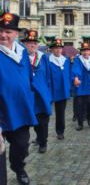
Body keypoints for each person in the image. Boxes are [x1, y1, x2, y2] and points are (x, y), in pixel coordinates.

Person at [0, 12, 38, 184]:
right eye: (0, 30)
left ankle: (18, 167)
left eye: (8, 31)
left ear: (16, 34)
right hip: (1, 110)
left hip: (20, 109)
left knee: (22, 144)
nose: (3, 34)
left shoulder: (22, 51)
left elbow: (28, 77)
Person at [21, 30, 52, 154]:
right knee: (24, 122)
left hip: (41, 96)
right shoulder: (19, 57)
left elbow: (48, 77)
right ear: (24, 44)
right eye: (29, 43)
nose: (33, 45)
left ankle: (42, 142)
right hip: (25, 95)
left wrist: (48, 94)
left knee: (42, 122)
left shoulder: (42, 57)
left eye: (35, 43)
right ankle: (23, 145)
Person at [48, 39, 71, 140]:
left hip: (62, 90)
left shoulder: (66, 60)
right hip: (50, 89)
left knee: (60, 112)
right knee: (44, 113)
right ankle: (42, 134)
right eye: (56, 48)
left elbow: (69, 74)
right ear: (52, 49)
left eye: (60, 48)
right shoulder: (47, 60)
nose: (58, 50)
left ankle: (60, 131)